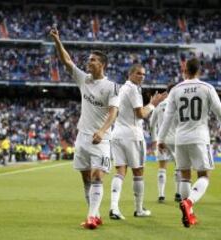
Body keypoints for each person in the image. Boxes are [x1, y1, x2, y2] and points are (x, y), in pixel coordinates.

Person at [50, 27, 119, 229]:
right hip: (83, 137)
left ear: (102, 65)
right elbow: (67, 61)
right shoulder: (84, 79)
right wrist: (57, 40)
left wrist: (103, 131)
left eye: (93, 60)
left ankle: (90, 217)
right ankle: (95, 214)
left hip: (102, 139)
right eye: (89, 60)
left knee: (98, 175)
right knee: (86, 178)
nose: (88, 62)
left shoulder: (112, 87)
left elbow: (113, 112)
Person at [157, 58, 221, 228]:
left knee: (185, 176)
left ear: (185, 70)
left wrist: (161, 138)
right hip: (199, 136)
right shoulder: (207, 88)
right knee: (204, 175)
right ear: (199, 71)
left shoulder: (175, 90)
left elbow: (167, 118)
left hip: (180, 138)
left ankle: (189, 213)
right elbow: (219, 110)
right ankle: (189, 203)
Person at [109, 64, 167, 220]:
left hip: (117, 133)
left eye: (143, 74)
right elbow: (140, 113)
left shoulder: (122, 89)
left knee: (120, 171)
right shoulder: (133, 89)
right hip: (132, 135)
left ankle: (114, 208)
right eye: (138, 73)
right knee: (138, 172)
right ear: (130, 74)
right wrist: (153, 104)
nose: (141, 76)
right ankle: (138, 209)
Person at [150, 83, 181, 203]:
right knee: (178, 167)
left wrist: (154, 139)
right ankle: (178, 194)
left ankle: (161, 195)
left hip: (161, 140)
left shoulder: (159, 105)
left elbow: (151, 124)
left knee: (162, 167)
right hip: (176, 140)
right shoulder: (179, 105)